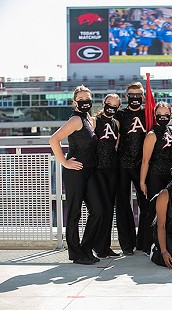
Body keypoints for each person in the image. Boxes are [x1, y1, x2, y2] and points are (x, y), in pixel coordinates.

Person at [49, 85, 103, 265]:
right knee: (74, 212)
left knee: (98, 210)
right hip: (75, 172)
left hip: (89, 171)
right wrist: (65, 162)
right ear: (75, 102)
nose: (85, 102)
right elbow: (53, 139)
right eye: (81, 100)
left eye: (88, 99)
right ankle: (76, 254)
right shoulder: (75, 120)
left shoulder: (88, 120)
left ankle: (86, 249)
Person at [114, 82, 147, 256]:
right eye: (132, 96)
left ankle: (143, 242)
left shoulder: (148, 113)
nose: (135, 99)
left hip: (143, 165)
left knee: (146, 204)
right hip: (122, 165)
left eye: (139, 95)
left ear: (143, 96)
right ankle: (126, 244)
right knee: (122, 205)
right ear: (127, 97)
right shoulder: (120, 115)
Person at [140, 101, 172, 254]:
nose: (163, 117)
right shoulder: (152, 134)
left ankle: (164, 242)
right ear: (155, 115)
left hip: (170, 177)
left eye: (166, 115)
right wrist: (142, 181)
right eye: (159, 115)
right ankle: (148, 244)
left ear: (171, 115)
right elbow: (145, 160)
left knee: (168, 211)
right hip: (155, 175)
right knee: (153, 210)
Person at [93, 94, 121, 259]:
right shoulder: (94, 121)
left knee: (110, 209)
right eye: (109, 103)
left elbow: (115, 145)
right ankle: (97, 245)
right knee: (101, 209)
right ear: (103, 104)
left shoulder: (116, 123)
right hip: (98, 169)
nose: (112, 107)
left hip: (113, 168)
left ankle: (105, 246)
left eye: (115, 105)